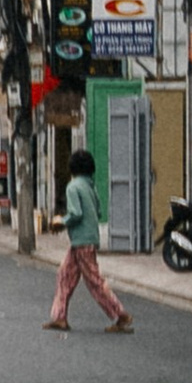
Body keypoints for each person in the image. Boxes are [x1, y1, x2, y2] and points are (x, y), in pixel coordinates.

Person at [47, 142, 132, 333]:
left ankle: (120, 314)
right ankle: (59, 317)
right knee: (64, 275)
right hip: (87, 239)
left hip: (81, 241)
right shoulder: (90, 187)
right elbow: (99, 211)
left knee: (94, 281)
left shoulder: (72, 187)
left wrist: (61, 221)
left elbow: (75, 213)